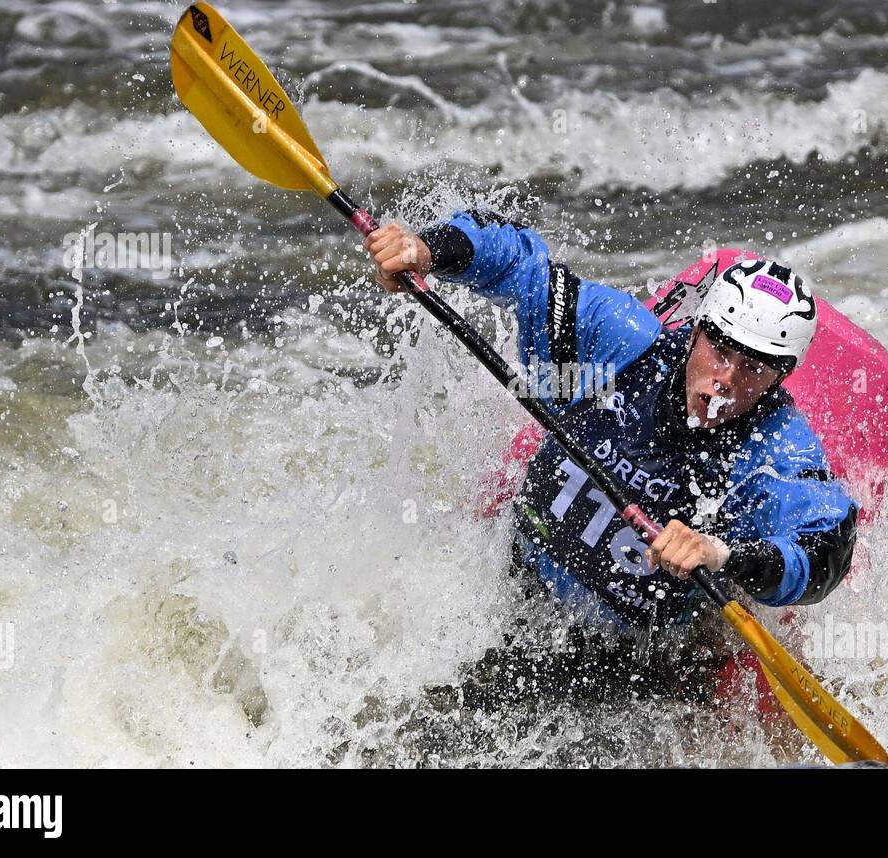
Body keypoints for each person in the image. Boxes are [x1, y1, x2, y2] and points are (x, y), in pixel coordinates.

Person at [364, 209, 859, 709]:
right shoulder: (621, 341)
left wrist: (719, 552)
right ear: (695, 333)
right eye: (720, 351)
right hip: (508, 592)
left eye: (753, 367)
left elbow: (827, 552)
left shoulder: (776, 449)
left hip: (637, 667)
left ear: (781, 377)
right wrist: (429, 251)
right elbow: (524, 267)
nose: (725, 380)